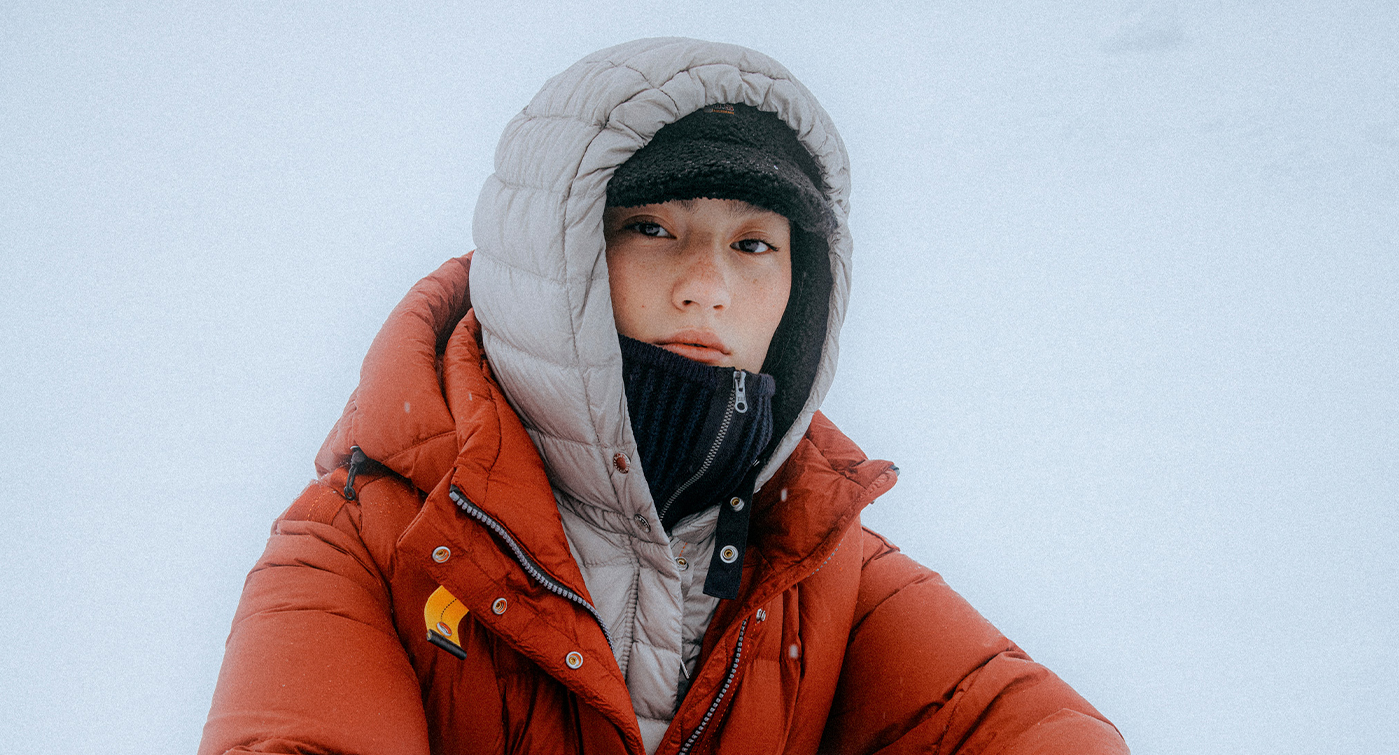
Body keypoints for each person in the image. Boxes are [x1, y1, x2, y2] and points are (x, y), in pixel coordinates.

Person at [199, 37, 1129, 755]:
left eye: (753, 244)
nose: (706, 288)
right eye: (651, 228)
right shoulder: (363, 544)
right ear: (553, 254)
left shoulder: (812, 559)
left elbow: (1027, 727)